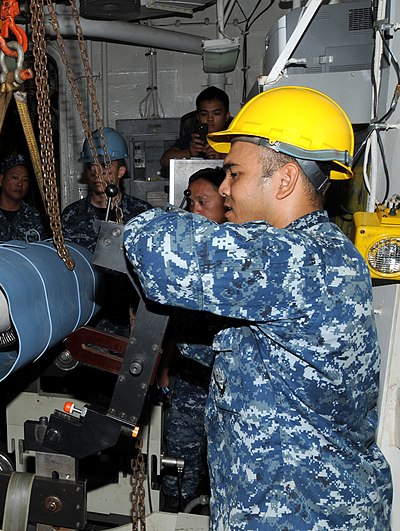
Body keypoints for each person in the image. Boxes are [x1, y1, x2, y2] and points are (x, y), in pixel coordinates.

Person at [124, 86, 392, 529]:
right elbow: (237, 354)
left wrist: (134, 223)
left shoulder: (304, 259)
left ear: (284, 180)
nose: (224, 188)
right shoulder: (296, 263)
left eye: (235, 174)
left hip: (305, 517)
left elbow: (158, 253)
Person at [158, 166, 226, 511]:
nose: (194, 210)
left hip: (226, 385)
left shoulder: (234, 258)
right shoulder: (184, 256)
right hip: (188, 381)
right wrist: (166, 367)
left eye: (204, 201)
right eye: (191, 201)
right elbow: (174, 323)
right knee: (178, 463)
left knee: (222, 468)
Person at [61, 127, 152, 253]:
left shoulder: (142, 213)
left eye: (104, 166)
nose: (97, 173)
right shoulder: (71, 215)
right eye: (91, 167)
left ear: (121, 171)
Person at [0, 153, 47, 243]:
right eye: (15, 178)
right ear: (1, 180)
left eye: (25, 180)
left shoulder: (34, 216)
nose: (20, 184)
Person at [159, 86, 231, 170]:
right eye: (204, 114)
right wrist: (189, 152)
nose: (210, 119)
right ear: (198, 117)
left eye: (216, 113)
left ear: (227, 116)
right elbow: (164, 161)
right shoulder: (194, 139)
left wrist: (222, 157)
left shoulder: (236, 140)